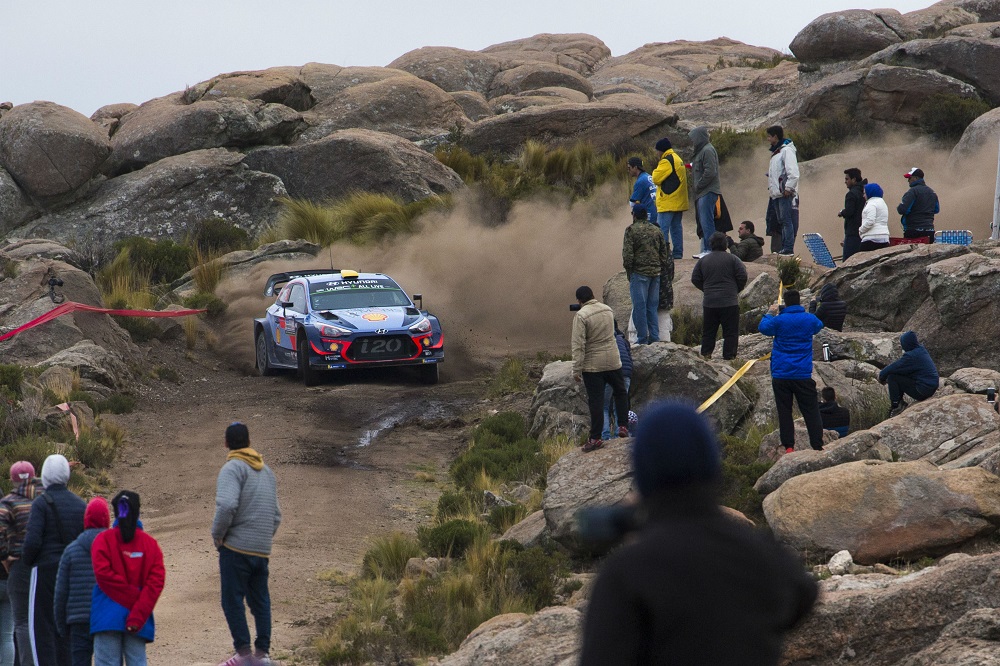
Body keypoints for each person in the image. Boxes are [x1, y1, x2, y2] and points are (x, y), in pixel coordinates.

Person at [579, 401, 818, 666]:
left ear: (644, 472)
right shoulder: (762, 554)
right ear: (711, 464)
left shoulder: (626, 574)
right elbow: (805, 594)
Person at [214, 423, 282, 666]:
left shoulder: (231, 468)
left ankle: (243, 655)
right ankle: (263, 655)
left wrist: (218, 536)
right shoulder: (267, 472)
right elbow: (276, 515)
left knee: (231, 600)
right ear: (249, 442)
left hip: (236, 549)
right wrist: (263, 537)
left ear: (226, 443)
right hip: (261, 550)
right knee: (260, 600)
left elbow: (226, 506)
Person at [21, 454, 85, 666]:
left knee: (41, 629)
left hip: (45, 573)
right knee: (66, 627)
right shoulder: (80, 505)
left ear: (45, 476)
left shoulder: (40, 504)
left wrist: (28, 561)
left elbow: (32, 542)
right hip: (72, 574)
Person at [91, 491, 165, 665]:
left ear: (115, 512)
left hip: (106, 617)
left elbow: (103, 576)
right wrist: (138, 611)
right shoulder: (150, 545)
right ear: (138, 511)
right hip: (139, 621)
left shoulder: (102, 541)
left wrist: (130, 600)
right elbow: (155, 583)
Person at [758, 290, 825, 453]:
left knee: (784, 411)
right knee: (811, 410)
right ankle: (817, 445)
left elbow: (763, 328)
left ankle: (789, 446)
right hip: (802, 373)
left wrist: (770, 312)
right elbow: (818, 325)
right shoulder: (809, 319)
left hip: (781, 374)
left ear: (785, 303)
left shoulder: (779, 321)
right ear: (799, 301)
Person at [571, 287, 630, 453]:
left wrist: (576, 369)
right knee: (620, 392)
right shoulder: (608, 310)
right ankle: (623, 426)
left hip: (593, 366)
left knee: (596, 401)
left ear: (579, 301)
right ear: (593, 296)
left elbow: (578, 345)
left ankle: (596, 438)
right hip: (613, 361)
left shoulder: (581, 316)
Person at [55, 497, 110, 666]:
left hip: (78, 620)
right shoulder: (114, 547)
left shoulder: (71, 550)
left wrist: (61, 625)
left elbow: (60, 591)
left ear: (85, 519)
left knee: (79, 661)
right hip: (106, 618)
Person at [0, 461, 40, 666]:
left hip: (13, 570)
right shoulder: (39, 505)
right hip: (17, 576)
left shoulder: (8, 504)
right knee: (9, 633)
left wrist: (5, 556)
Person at [691, 232, 748, 360]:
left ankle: (706, 355)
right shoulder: (733, 259)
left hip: (710, 302)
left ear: (710, 245)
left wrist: (706, 289)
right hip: (730, 302)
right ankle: (729, 357)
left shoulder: (703, 260)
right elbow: (742, 276)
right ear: (726, 245)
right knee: (731, 333)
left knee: (708, 332)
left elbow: (695, 278)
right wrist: (735, 290)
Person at [623, 205, 668, 345]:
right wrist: (657, 268)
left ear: (634, 215)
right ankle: (655, 338)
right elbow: (664, 254)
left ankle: (642, 339)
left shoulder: (631, 230)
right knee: (652, 307)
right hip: (655, 274)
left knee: (639, 307)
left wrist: (630, 272)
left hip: (639, 273)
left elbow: (628, 256)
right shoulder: (657, 230)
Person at [878, 331, 939, 417]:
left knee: (892, 377)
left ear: (906, 343)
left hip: (922, 390)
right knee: (899, 374)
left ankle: (896, 406)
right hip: (930, 387)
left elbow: (894, 367)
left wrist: (881, 376)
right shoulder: (920, 350)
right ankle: (899, 402)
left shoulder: (911, 356)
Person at [651, 137, 689, 260]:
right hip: (679, 201)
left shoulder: (666, 161)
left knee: (663, 230)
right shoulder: (678, 159)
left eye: (657, 151)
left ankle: (664, 255)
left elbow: (656, 178)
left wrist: (655, 170)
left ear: (661, 150)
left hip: (668, 201)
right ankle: (678, 255)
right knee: (676, 228)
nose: (657, 153)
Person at [764, 125, 800, 256]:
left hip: (784, 193)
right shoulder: (776, 153)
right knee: (781, 221)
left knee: (786, 221)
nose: (768, 139)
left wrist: (789, 188)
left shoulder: (786, 151)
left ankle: (788, 248)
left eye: (769, 136)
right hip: (777, 194)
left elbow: (793, 172)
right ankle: (784, 248)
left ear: (775, 136)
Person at [689, 126, 721, 257]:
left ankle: (709, 250)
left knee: (707, 221)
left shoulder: (707, 150)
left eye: (694, 138)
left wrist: (698, 185)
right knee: (703, 222)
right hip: (703, 192)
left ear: (699, 137)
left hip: (707, 191)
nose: (692, 141)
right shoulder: (702, 151)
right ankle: (706, 250)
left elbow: (710, 172)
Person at [602, 322, 633, 440]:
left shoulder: (605, 340)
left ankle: (604, 435)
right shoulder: (624, 341)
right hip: (626, 374)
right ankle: (618, 433)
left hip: (612, 371)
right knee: (619, 404)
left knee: (603, 406)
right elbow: (630, 359)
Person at [898, 168, 939, 243]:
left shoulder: (912, 192)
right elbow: (936, 210)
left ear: (916, 178)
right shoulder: (932, 192)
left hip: (913, 231)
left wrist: (900, 206)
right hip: (930, 230)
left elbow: (903, 209)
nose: (908, 180)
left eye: (910, 178)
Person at [839, 168, 866, 260]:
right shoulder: (864, 191)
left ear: (854, 179)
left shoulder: (851, 194)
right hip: (863, 232)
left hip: (852, 232)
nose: (845, 182)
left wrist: (842, 213)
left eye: (847, 179)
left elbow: (850, 211)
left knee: (848, 261)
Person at [627, 157, 658, 227]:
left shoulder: (640, 181)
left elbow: (632, 203)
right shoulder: (649, 176)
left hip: (649, 213)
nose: (628, 170)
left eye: (629, 168)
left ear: (635, 167)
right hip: (658, 211)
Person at [859, 183, 890, 252]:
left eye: (864, 193)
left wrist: (860, 230)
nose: (863, 195)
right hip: (884, 238)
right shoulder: (883, 203)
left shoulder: (871, 204)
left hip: (871, 238)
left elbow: (870, 221)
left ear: (870, 192)